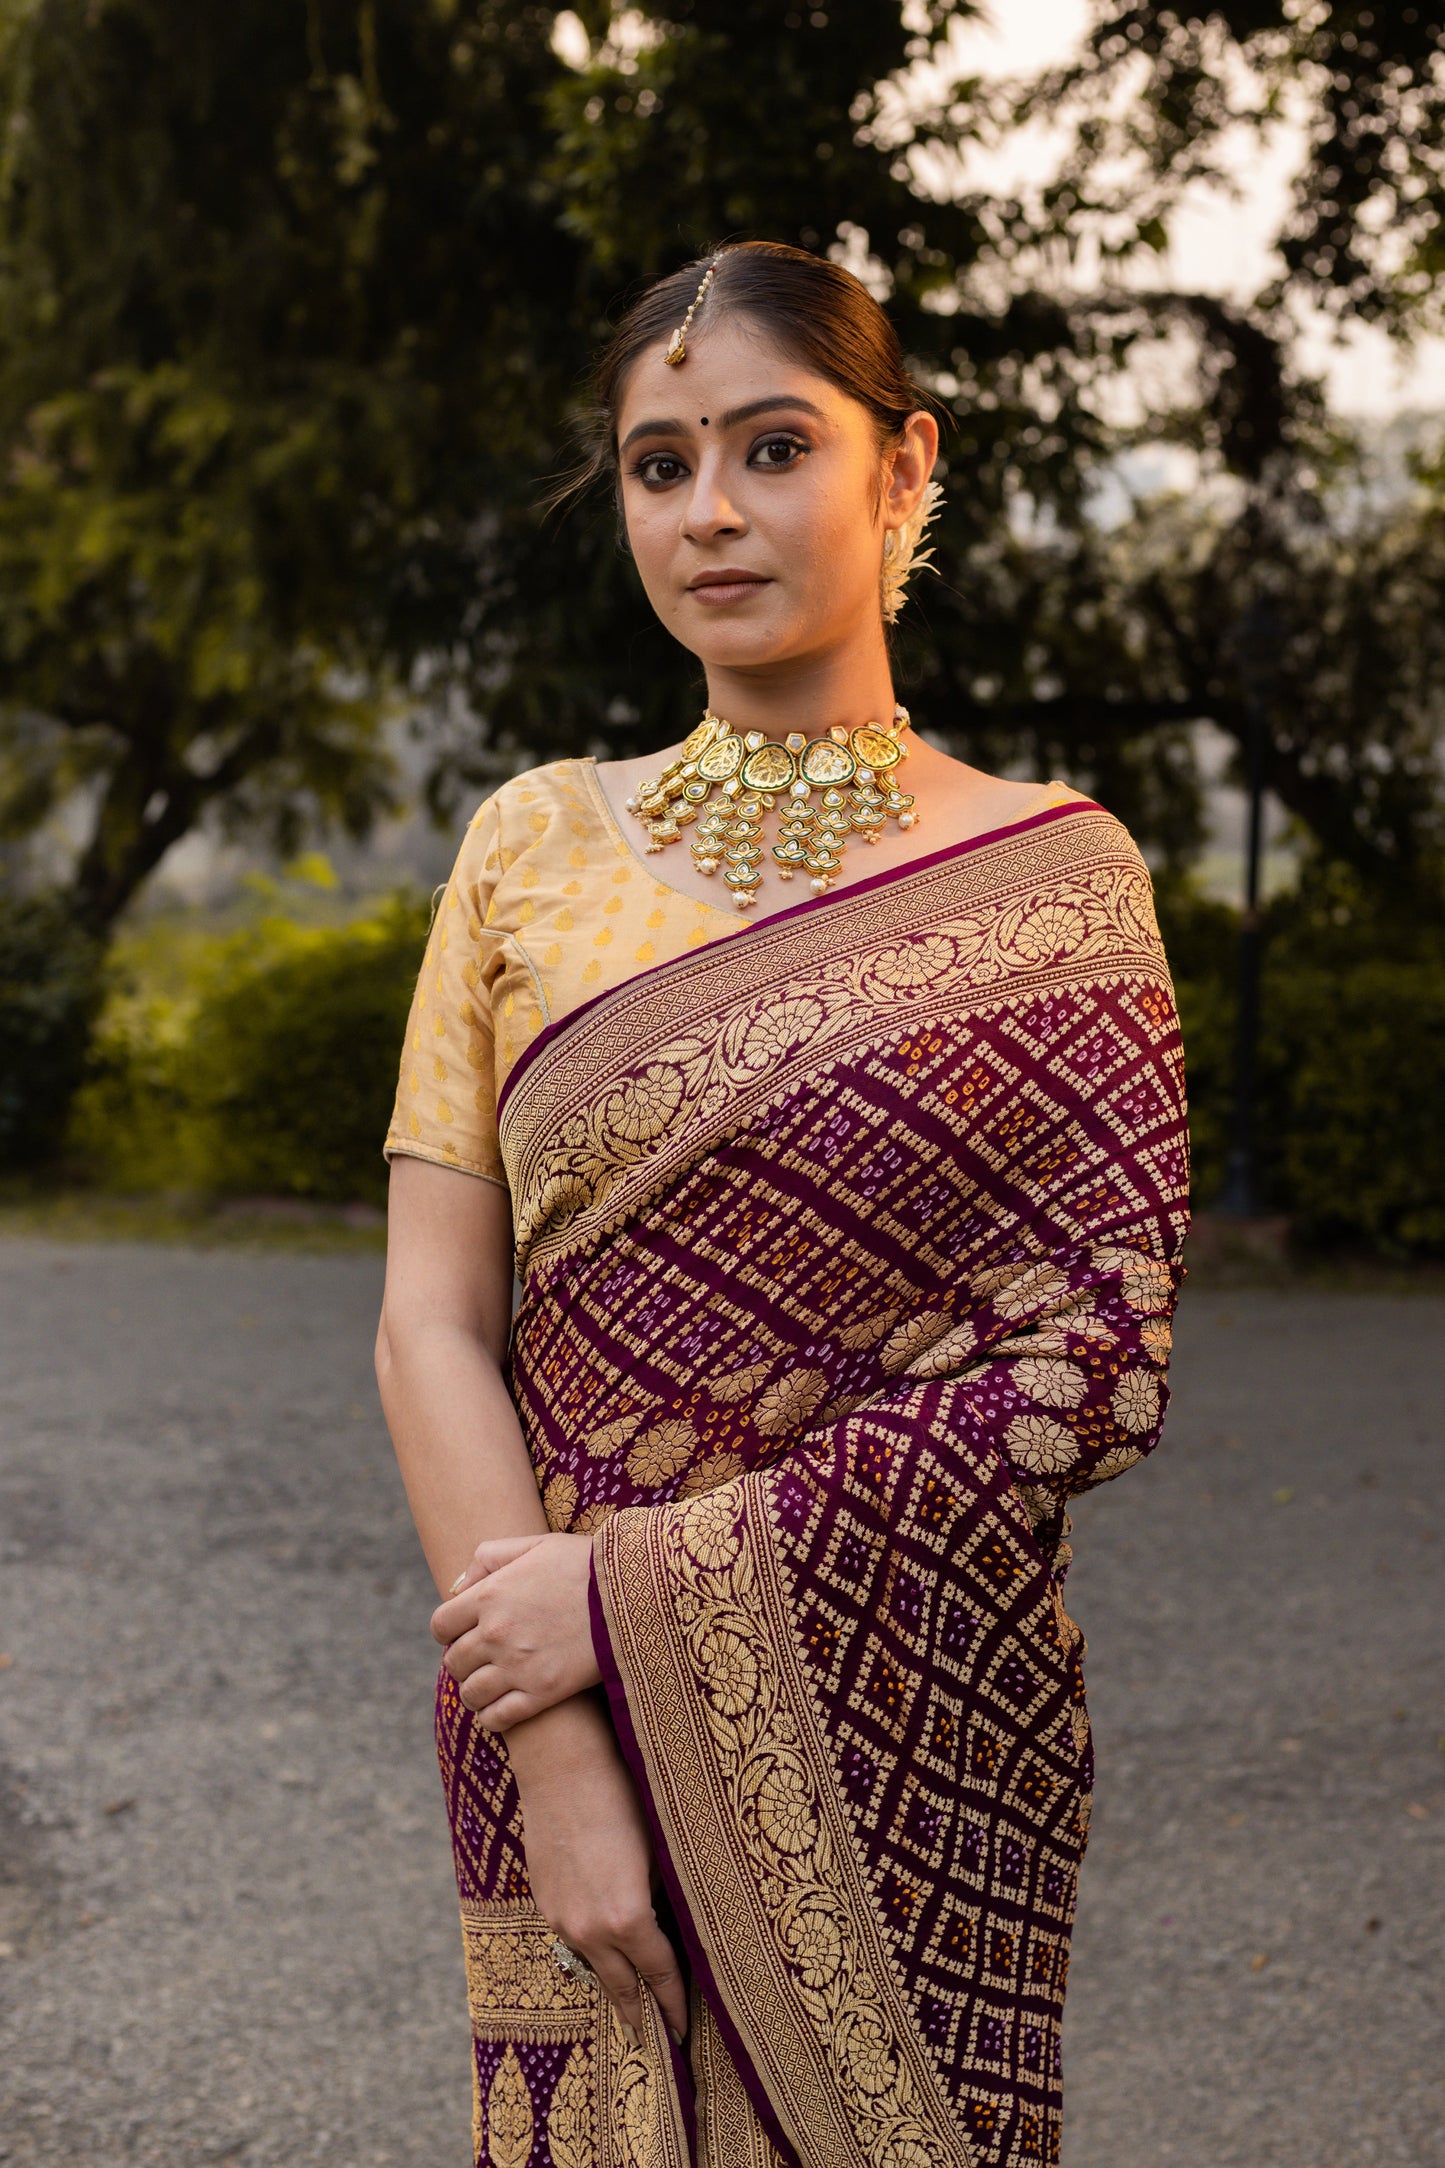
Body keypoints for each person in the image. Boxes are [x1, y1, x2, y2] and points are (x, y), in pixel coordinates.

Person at [376, 240, 1189, 2168]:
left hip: (914, 1727)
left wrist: (625, 1595)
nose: (708, 512)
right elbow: (431, 1323)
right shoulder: (530, 849)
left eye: (772, 446)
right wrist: (554, 1743)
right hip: (548, 1714)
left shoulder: (1057, 885)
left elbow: (1092, 1368)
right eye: (659, 466)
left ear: (903, 468)